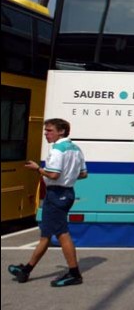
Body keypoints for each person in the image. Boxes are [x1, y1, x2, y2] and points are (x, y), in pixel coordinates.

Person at [8, 119, 88, 287]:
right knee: (46, 235)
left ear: (62, 132)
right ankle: (27, 270)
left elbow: (53, 175)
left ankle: (74, 274)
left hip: (56, 194)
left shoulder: (57, 150)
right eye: (46, 130)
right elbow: (83, 174)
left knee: (61, 234)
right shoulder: (76, 149)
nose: (46, 133)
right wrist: (69, 176)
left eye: (50, 130)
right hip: (67, 193)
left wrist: (37, 169)